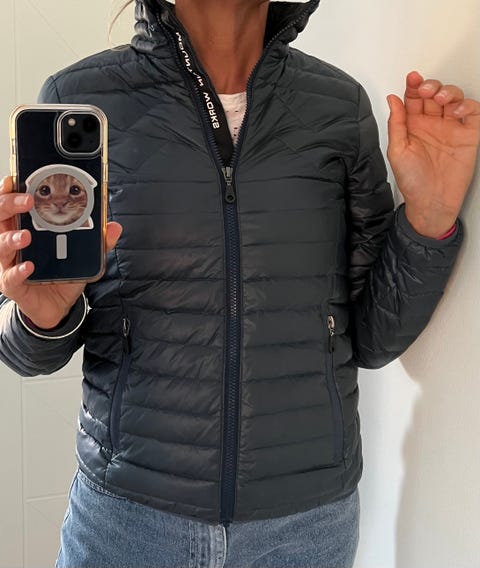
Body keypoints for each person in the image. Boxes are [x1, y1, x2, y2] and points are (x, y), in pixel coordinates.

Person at [1, 0, 479, 566]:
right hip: (127, 522)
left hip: (305, 529)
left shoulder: (339, 107)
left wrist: (428, 216)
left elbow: (373, 339)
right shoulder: (82, 98)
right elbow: (27, 354)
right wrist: (41, 317)